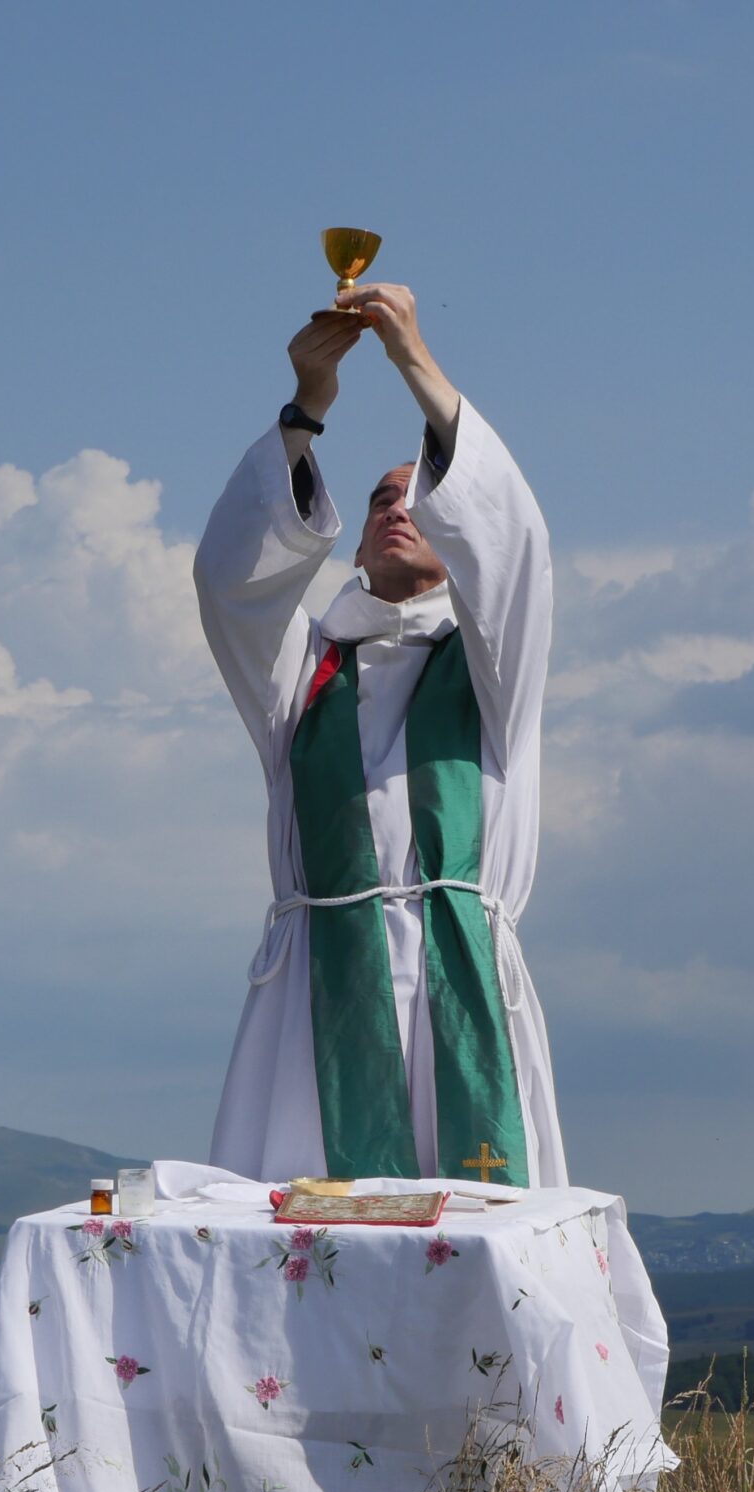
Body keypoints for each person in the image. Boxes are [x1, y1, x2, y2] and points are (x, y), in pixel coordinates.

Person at [193, 282, 564, 1187]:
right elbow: (230, 588)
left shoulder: (492, 668)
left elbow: (514, 548)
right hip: (320, 996)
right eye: (379, 501)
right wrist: (305, 410)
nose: (399, 507)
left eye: (421, 496)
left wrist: (411, 360)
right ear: (353, 547)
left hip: (459, 981)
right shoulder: (306, 674)